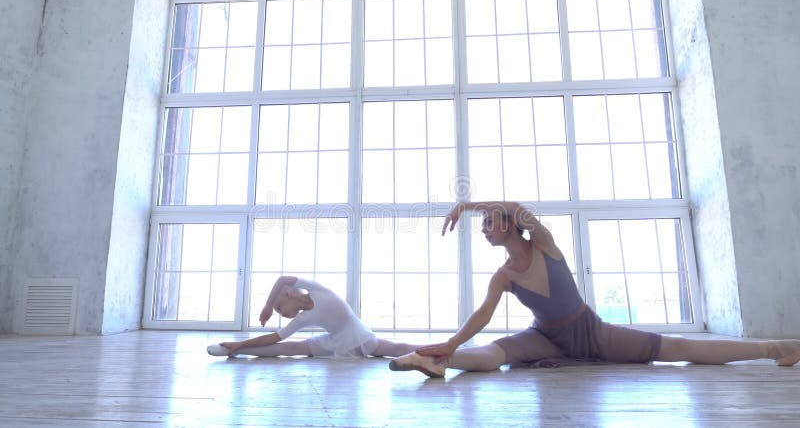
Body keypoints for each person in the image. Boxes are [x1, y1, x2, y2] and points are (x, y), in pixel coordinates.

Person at [389, 201, 800, 378]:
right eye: (481, 226)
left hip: (591, 330)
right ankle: (436, 360)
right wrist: (451, 342)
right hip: (544, 338)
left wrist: (468, 206)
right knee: (494, 354)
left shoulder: (544, 243)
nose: (483, 231)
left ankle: (773, 348)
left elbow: (514, 206)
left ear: (509, 225)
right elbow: (483, 315)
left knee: (678, 349)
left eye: (488, 223)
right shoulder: (503, 276)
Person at [207, 276, 420, 359]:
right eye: (280, 312)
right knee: (290, 349)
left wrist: (269, 305)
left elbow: (283, 279)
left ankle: (442, 350)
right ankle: (234, 349)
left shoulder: (317, 290)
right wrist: (241, 343)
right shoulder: (302, 319)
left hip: (358, 335)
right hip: (335, 340)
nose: (283, 314)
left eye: (281, 309)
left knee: (396, 349)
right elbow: (275, 339)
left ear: (290, 293)